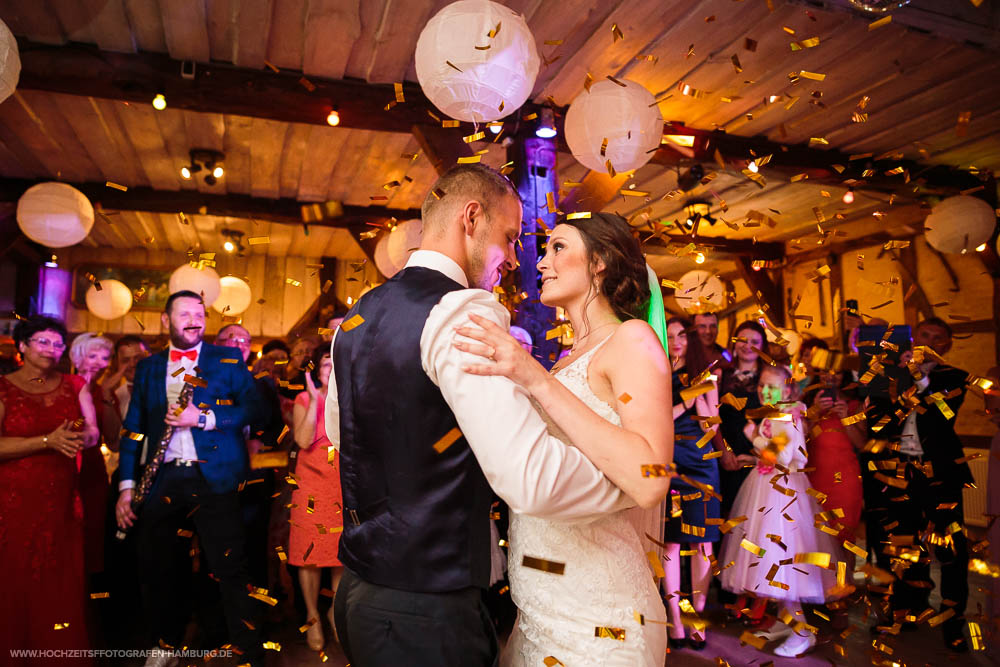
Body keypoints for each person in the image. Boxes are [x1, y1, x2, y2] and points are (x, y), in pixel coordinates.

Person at [330, 166, 672, 667]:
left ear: (599, 265)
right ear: (471, 218)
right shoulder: (465, 312)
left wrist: (640, 483)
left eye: (556, 247)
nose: (524, 260)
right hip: (449, 607)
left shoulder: (357, 318)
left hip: (369, 591)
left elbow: (344, 437)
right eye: (516, 239)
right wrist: (626, 485)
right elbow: (526, 476)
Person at [453, 211, 674, 665]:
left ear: (600, 262)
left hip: (601, 621)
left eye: (558, 247)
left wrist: (533, 379)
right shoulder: (564, 360)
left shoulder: (633, 340)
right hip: (540, 613)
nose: (540, 262)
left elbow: (652, 479)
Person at [115, 291, 265, 666]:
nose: (194, 319)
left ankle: (247, 650)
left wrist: (204, 419)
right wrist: (127, 487)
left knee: (229, 567)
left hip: (214, 477)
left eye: (199, 313)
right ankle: (164, 645)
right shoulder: (149, 367)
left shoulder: (227, 359)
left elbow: (255, 408)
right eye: (184, 313)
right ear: (166, 321)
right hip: (164, 478)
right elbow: (134, 429)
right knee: (157, 566)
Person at [867, 317, 973, 652]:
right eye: (923, 336)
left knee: (952, 551)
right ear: (914, 340)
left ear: (947, 345)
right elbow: (879, 424)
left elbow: (938, 416)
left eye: (937, 338)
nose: (929, 342)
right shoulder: (890, 377)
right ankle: (906, 612)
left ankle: (953, 623)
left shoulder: (954, 377)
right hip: (901, 475)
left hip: (941, 477)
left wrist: (915, 380)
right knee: (903, 546)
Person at [719, 363, 838, 657]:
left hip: (783, 497)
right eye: (761, 385)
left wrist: (754, 437)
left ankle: (801, 631)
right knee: (767, 562)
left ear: (786, 389)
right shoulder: (774, 413)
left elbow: (788, 457)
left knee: (781, 563)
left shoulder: (790, 416)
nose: (764, 391)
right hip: (765, 489)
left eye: (771, 386)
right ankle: (786, 621)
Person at [0, 315, 99, 662]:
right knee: (12, 578)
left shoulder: (74, 384)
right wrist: (46, 441)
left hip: (60, 500)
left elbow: (92, 433)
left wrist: (80, 437)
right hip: (11, 503)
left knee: (58, 582)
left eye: (58, 344)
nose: (51, 349)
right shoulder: (3, 387)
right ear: (22, 346)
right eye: (42, 341)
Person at [662, 316, 721, 650]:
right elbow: (659, 418)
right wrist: (685, 398)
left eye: (682, 334)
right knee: (670, 543)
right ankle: (674, 615)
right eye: (670, 335)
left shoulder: (705, 374)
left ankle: (697, 617)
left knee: (703, 544)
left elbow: (713, 427)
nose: (677, 340)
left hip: (702, 465)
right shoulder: (656, 374)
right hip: (669, 462)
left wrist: (700, 398)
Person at [290, 346, 344, 651]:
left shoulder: (352, 399)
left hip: (341, 484)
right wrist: (314, 399)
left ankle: (336, 611)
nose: (332, 367)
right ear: (317, 369)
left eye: (337, 362)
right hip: (311, 485)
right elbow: (302, 439)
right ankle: (312, 615)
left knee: (340, 555)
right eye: (327, 362)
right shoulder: (302, 399)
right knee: (308, 555)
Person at [70, 333, 115, 578]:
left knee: (94, 529)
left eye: (105, 357)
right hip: (65, 464)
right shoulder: (62, 386)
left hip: (93, 468)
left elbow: (113, 439)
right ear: (77, 357)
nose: (100, 362)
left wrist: (107, 397)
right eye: (93, 355)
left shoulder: (103, 391)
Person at [717, 321, 767, 520]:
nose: (748, 345)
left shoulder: (769, 376)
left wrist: (759, 458)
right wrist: (724, 452)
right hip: (727, 455)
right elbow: (713, 418)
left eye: (755, 341)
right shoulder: (721, 374)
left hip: (761, 455)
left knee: (758, 517)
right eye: (743, 340)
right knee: (730, 517)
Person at [281, 335, 321, 399]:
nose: (305, 355)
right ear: (293, 359)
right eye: (300, 352)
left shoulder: (323, 380)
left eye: (309, 351)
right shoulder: (287, 387)